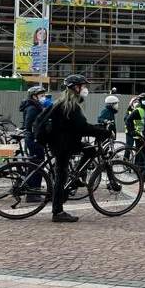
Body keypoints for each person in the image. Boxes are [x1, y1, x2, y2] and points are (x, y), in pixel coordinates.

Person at [45, 75, 110, 222]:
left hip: (63, 143)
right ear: (76, 87)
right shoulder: (70, 106)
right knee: (61, 177)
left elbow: (78, 126)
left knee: (90, 150)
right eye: (83, 86)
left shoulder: (65, 102)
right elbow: (82, 127)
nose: (85, 89)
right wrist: (103, 132)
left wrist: (96, 128)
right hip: (63, 145)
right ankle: (58, 212)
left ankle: (76, 178)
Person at [19, 86, 47, 202]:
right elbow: (31, 124)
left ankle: (33, 189)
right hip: (34, 140)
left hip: (33, 139)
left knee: (35, 164)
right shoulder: (33, 108)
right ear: (34, 96)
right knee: (37, 165)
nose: (43, 97)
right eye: (41, 95)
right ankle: (32, 193)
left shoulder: (34, 106)